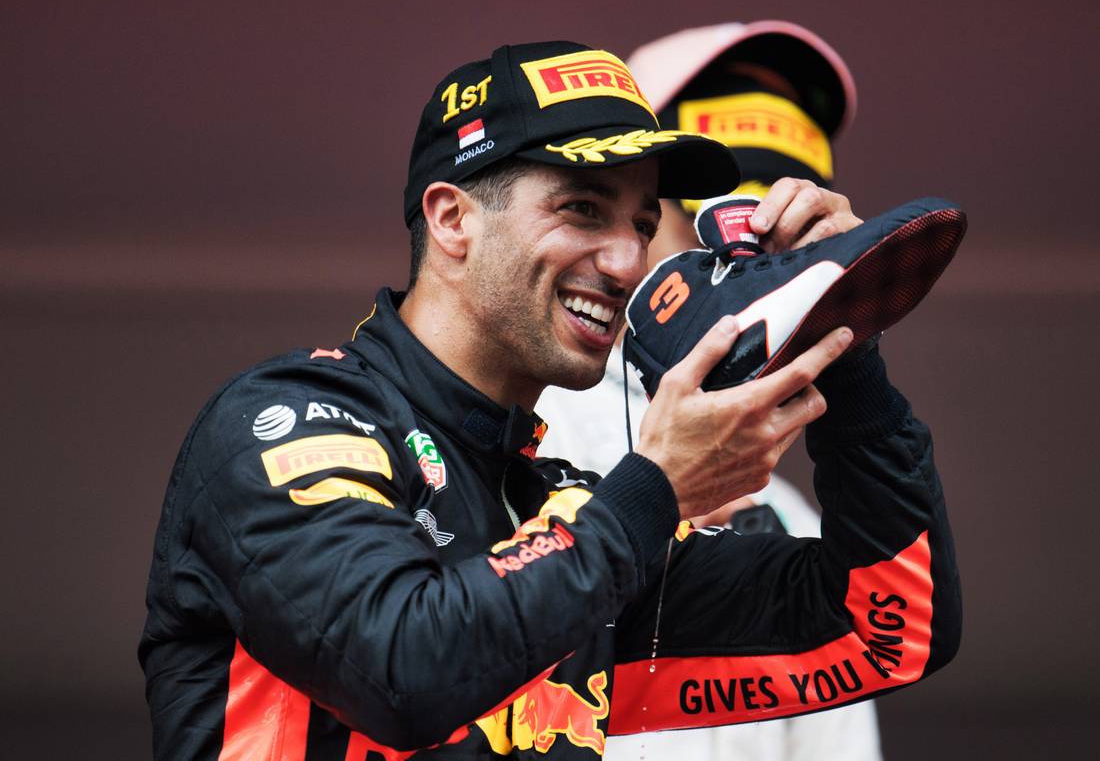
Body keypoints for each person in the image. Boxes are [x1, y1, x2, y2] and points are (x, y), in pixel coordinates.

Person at [139, 40, 961, 760]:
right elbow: (399, 671)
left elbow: (886, 631)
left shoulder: (567, 513)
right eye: (582, 209)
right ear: (452, 219)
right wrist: (655, 492)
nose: (627, 261)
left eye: (643, 224)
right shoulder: (281, 421)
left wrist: (843, 336)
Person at [536, 22, 883, 759]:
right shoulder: (521, 432)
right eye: (714, 232)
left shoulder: (799, 528)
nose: (742, 271)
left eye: (777, 250)